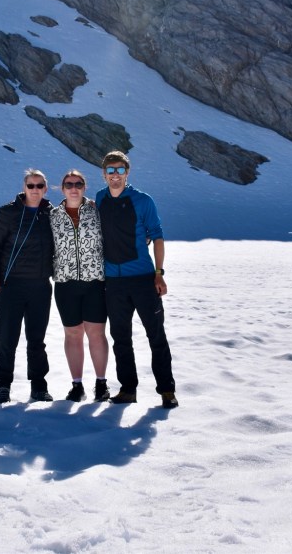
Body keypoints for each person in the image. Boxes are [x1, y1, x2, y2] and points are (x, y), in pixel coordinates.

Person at [96, 151, 177, 409]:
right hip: (113, 282)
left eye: (120, 170)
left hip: (143, 279)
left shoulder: (143, 201)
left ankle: (167, 391)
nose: (115, 175)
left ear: (127, 173)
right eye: (111, 170)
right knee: (121, 339)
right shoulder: (99, 199)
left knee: (156, 336)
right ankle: (128, 389)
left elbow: (157, 236)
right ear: (104, 174)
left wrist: (159, 273)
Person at [0, 168, 55, 404]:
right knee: (8, 337)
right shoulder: (8, 212)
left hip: (40, 286)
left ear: (45, 189)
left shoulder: (52, 214)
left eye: (39, 185)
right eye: (31, 185)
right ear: (24, 188)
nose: (35, 189)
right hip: (10, 286)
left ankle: (39, 386)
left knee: (37, 339)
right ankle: (3, 385)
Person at [50, 169, 110, 403]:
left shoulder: (97, 211)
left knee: (96, 333)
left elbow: (117, 232)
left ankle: (101, 383)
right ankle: (77, 385)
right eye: (69, 184)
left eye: (78, 184)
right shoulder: (53, 216)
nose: (73, 188)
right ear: (62, 188)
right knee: (73, 334)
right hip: (65, 284)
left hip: (95, 282)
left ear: (84, 187)